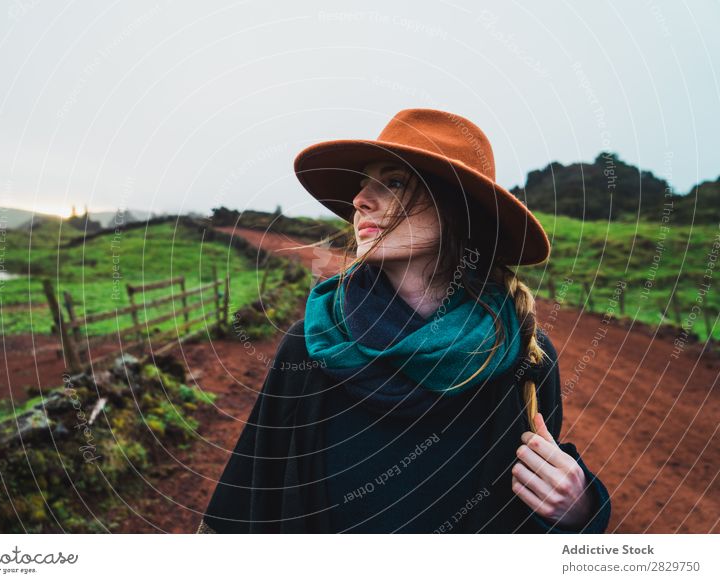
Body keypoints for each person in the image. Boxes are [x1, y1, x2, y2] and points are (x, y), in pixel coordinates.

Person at [196, 108, 611, 533]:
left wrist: (579, 510)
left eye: (393, 182)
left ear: (457, 208)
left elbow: (526, 511)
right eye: (363, 185)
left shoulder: (520, 357)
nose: (359, 201)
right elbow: (247, 499)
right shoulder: (312, 344)